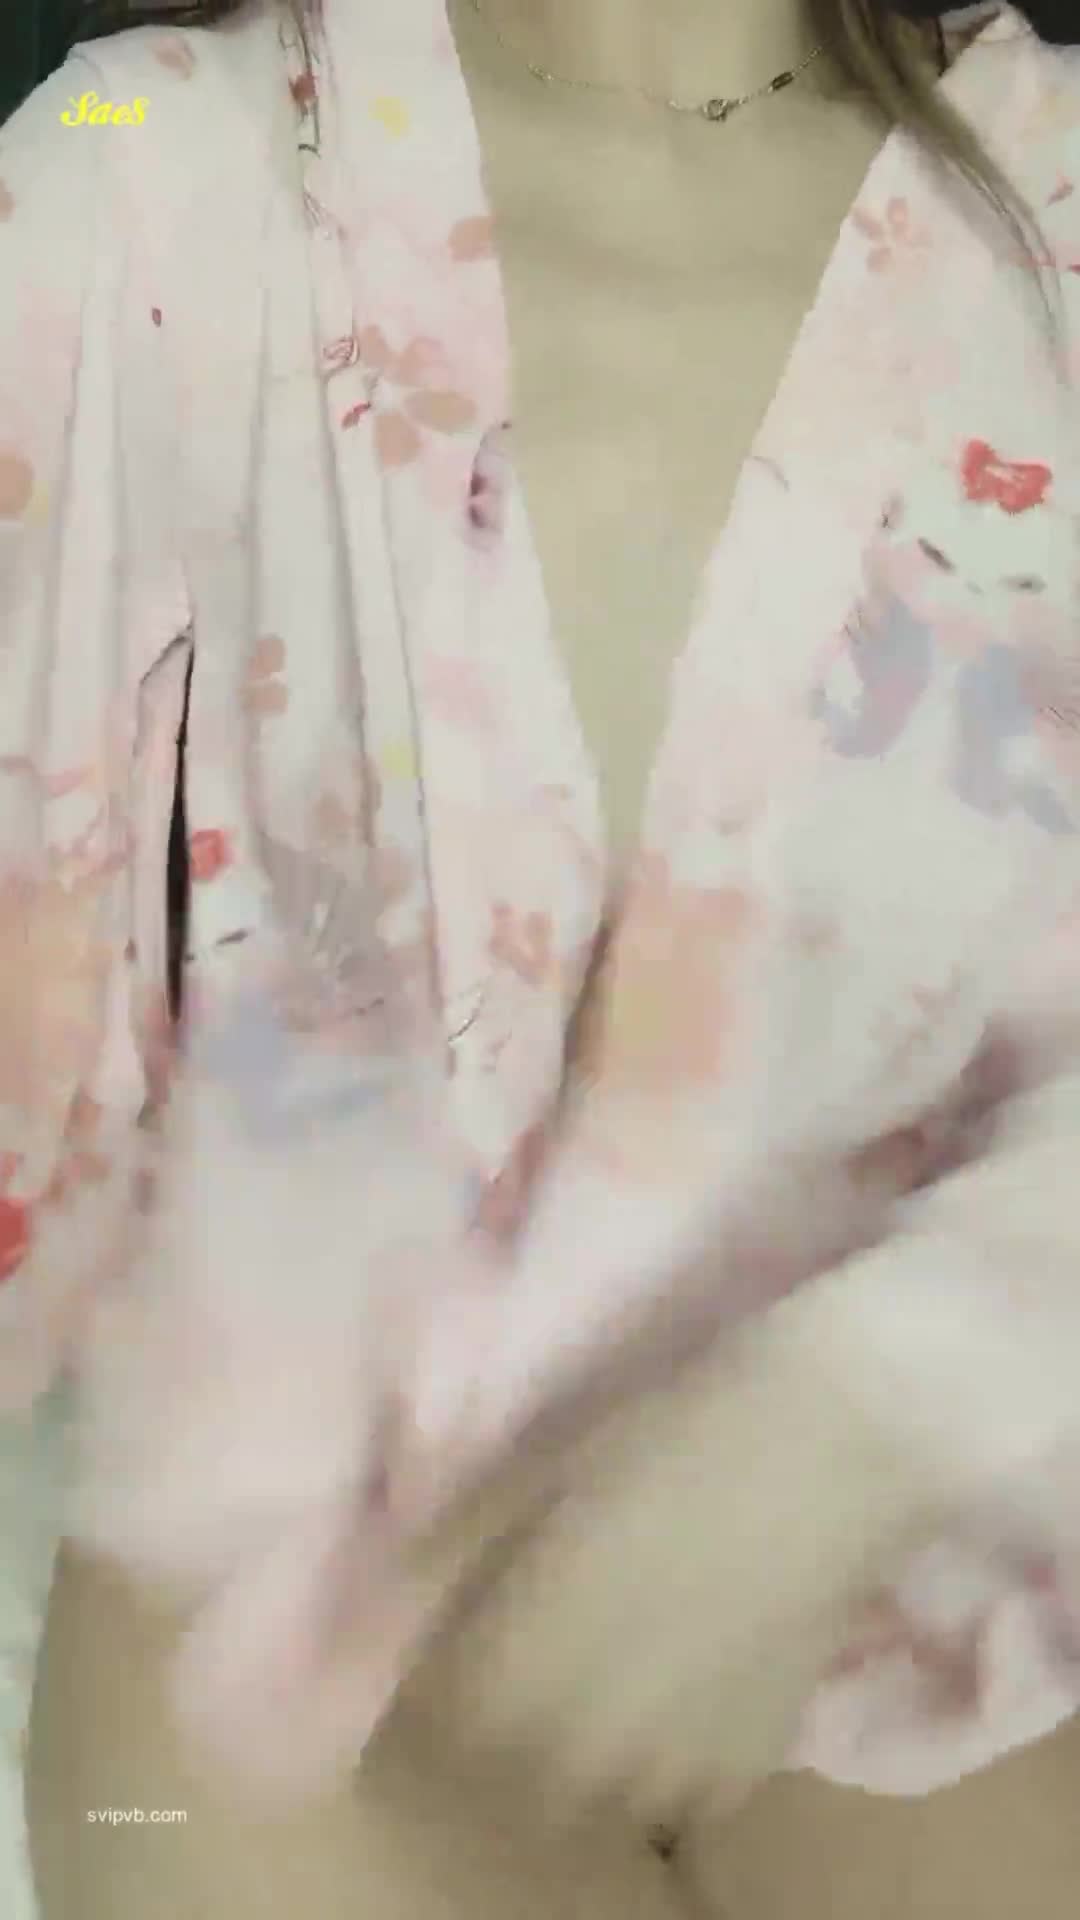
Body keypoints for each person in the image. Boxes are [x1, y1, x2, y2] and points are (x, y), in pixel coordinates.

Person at [6, 1, 1080, 1916]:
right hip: (301, 1629)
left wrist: (891, 1398)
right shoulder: (144, 170)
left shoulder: (1054, 222)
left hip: (947, 1579)